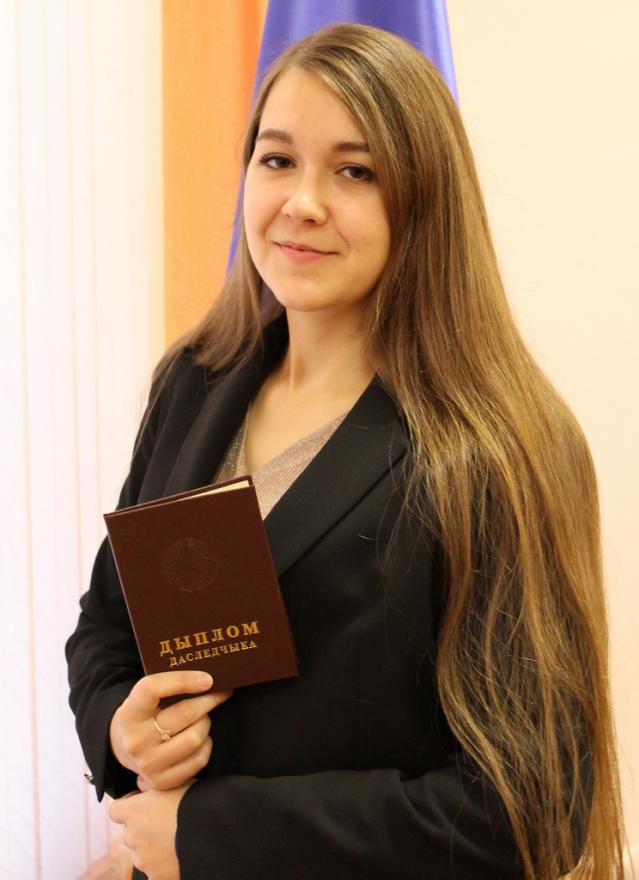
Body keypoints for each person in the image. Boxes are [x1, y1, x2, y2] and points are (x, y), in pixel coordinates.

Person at [66, 22, 625, 880]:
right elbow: (108, 622)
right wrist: (118, 723)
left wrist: (211, 835)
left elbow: (530, 808)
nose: (301, 202)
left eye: (354, 171)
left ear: (425, 198)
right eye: (277, 159)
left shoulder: (502, 449)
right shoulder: (194, 380)